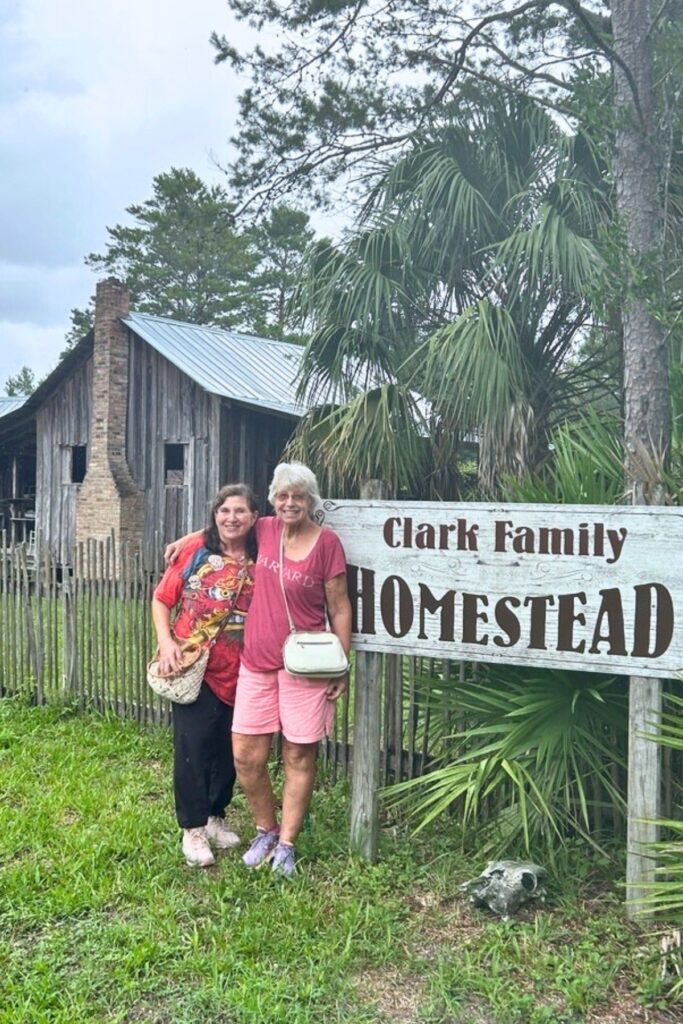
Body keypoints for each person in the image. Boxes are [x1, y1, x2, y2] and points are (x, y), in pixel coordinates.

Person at [167, 462, 351, 878]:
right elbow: (224, 528)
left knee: (298, 754)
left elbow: (339, 607)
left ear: (310, 501)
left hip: (305, 666)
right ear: (273, 501)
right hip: (256, 663)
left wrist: (342, 664)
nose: (290, 503)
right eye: (283, 496)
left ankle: (286, 843)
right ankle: (265, 830)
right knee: (246, 756)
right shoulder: (264, 530)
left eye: (298, 497)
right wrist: (187, 540)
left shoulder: (327, 544)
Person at [152, 484, 258, 868]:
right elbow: (162, 599)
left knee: (231, 750)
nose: (232, 517)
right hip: (196, 666)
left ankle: (216, 816)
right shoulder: (196, 551)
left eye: (240, 511)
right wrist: (167, 644)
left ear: (254, 517)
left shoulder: (263, 554)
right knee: (193, 749)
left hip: (247, 670)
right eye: (225, 510)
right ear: (215, 514)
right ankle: (192, 829)